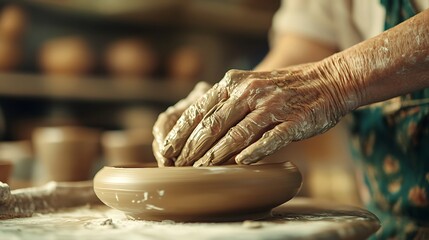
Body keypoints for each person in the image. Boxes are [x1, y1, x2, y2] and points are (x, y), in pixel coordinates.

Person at [153, 1, 428, 238]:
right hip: (390, 226)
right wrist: (233, 104)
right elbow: (308, 40)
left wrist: (336, 79)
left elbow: (327, 75)